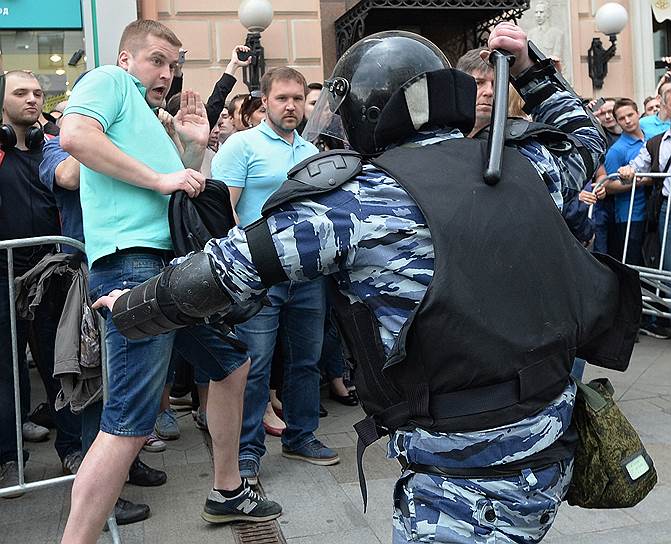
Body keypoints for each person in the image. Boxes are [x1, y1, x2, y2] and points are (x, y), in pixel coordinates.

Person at [95, 23, 637, 543]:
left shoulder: (359, 202)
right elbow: (583, 137)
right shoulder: (528, 166)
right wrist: (529, 69)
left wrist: (129, 308)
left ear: (367, 111)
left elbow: (223, 270)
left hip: (462, 482)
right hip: (551, 440)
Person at [59, 20, 280, 543]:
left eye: (174, 64)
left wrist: (192, 148)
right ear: (126, 57)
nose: (167, 72)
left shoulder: (147, 111)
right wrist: (163, 176)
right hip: (133, 266)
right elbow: (74, 135)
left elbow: (175, 189)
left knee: (231, 365)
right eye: (157, 59)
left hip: (163, 267)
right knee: (129, 422)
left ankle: (228, 491)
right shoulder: (108, 82)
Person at [211, 66, 336, 485]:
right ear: (265, 101)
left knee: (306, 361)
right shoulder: (241, 145)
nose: (291, 106)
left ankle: (302, 436)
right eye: (282, 98)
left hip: (307, 273)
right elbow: (223, 210)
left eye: (298, 99)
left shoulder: (311, 152)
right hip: (259, 274)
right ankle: (247, 452)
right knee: (255, 365)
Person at [0, 70, 83, 497]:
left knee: (60, 364)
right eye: (21, 92)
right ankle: (9, 457)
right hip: (4, 275)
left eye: (37, 93)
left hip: (51, 275)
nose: (32, 99)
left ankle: (72, 447)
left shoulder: (48, 149)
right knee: (7, 371)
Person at [598, 98, 649, 265]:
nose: (627, 121)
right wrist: (642, 181)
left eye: (630, 115)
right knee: (634, 265)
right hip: (630, 214)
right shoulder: (616, 150)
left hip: (652, 210)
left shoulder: (652, 138)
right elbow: (608, 184)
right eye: (621, 118)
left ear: (637, 113)